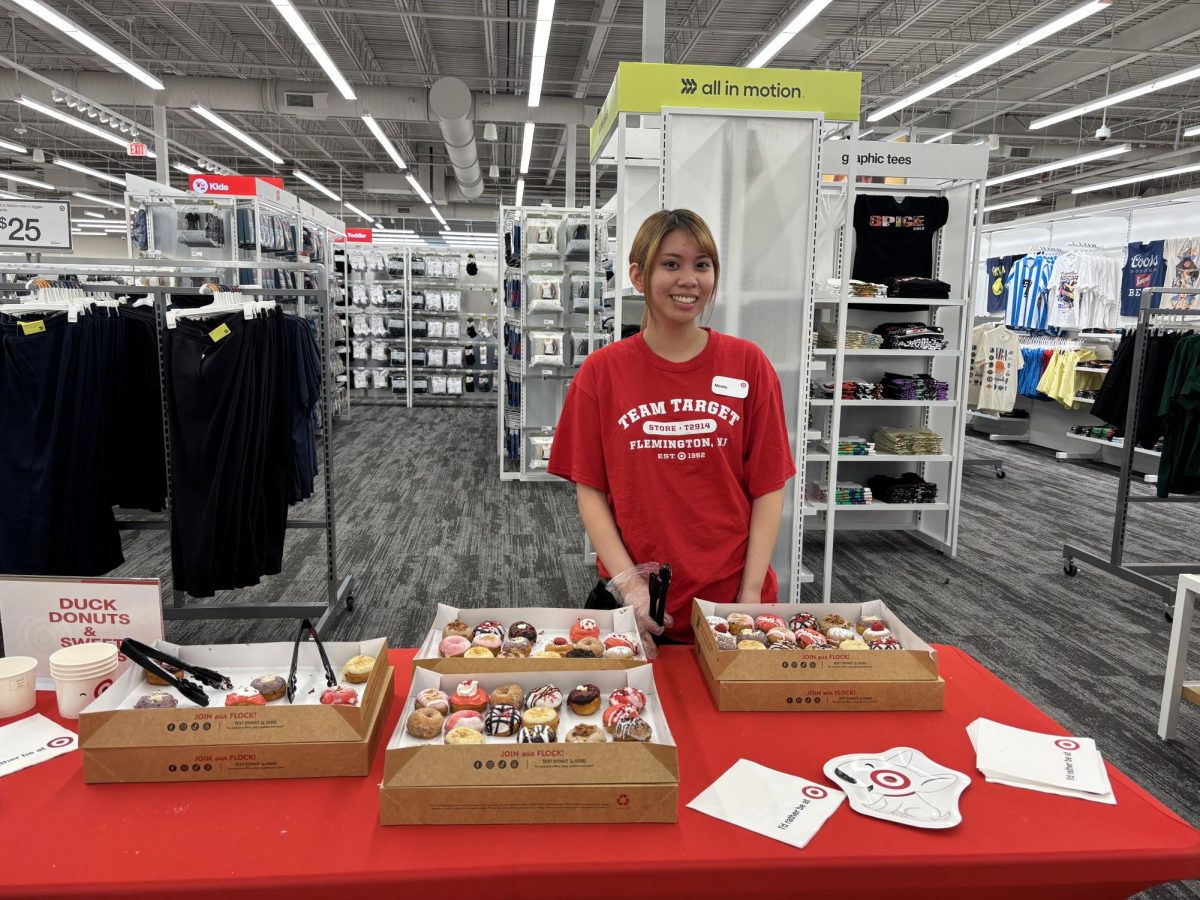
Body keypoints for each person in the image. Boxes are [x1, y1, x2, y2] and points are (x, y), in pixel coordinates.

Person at [547, 209, 796, 648]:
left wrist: (751, 594)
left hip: (731, 602)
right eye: (671, 264)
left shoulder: (748, 364)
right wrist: (630, 585)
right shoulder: (602, 373)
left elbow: (768, 487)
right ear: (639, 277)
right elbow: (590, 491)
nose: (689, 279)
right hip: (636, 605)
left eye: (702, 265)